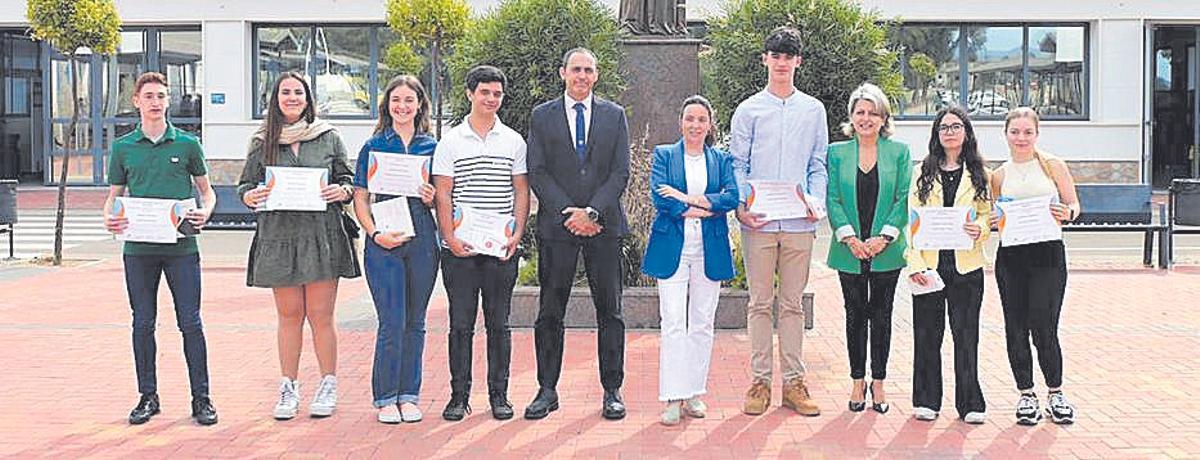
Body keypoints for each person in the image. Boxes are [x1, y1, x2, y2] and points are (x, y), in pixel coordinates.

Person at [237, 71, 360, 420]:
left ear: (308, 99)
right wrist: (250, 195)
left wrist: (344, 192)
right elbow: (244, 185)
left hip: (322, 235)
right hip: (279, 237)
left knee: (321, 316)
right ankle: (288, 387)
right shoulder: (262, 141)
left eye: (298, 92)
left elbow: (347, 179)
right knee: (289, 316)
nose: (292, 97)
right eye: (285, 92)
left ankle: (328, 384)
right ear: (275, 99)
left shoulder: (328, 137)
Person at [104, 71, 218, 426]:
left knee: (191, 323)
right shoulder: (123, 148)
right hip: (138, 250)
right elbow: (113, 199)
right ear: (136, 102)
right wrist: (109, 219)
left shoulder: (187, 144)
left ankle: (202, 398)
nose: (156, 102)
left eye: (162, 96)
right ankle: (147, 396)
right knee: (142, 323)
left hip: (182, 247)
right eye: (149, 96)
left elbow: (207, 191)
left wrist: (206, 212)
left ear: (168, 101)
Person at [525, 48, 631, 421]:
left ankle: (612, 390)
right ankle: (547, 389)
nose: (582, 76)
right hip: (558, 227)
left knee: (611, 312)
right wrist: (568, 212)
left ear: (596, 75)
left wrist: (593, 212)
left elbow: (620, 172)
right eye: (575, 69)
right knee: (550, 312)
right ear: (562, 73)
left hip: (604, 227)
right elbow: (536, 171)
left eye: (588, 70)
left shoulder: (615, 116)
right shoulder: (542, 116)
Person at [729, 26, 828, 416]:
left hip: (800, 223)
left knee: (792, 305)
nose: (782, 62)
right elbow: (738, 163)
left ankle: (793, 383)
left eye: (789, 55)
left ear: (798, 61)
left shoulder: (813, 109)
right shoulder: (749, 109)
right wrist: (741, 205)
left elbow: (817, 164)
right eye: (776, 54)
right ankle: (759, 382)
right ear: (765, 59)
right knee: (758, 303)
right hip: (759, 222)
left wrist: (815, 203)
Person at [432, 65, 530, 422]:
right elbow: (443, 193)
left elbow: (521, 189)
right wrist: (450, 237)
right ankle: (459, 397)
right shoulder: (451, 140)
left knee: (499, 324)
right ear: (470, 93)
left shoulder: (514, 141)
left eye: (497, 94)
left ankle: (498, 396)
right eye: (485, 92)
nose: (491, 99)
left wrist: (517, 233)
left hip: (500, 248)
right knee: (460, 324)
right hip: (459, 250)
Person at [642, 95, 739, 426]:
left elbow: (731, 197)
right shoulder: (664, 155)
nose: (695, 125)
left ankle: (695, 392)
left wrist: (689, 199)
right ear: (680, 122)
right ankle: (672, 396)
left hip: (708, 248)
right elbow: (660, 196)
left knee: (701, 321)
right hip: (673, 249)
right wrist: (704, 208)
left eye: (701, 119)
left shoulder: (721, 159)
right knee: (672, 322)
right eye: (689, 119)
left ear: (709, 124)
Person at [352, 75, 439, 424]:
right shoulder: (373, 146)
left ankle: (409, 395)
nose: (402, 106)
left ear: (420, 105)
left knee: (415, 322)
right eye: (396, 100)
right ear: (387, 105)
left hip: (422, 242)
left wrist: (433, 200)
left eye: (409, 100)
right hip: (384, 243)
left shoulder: (432, 147)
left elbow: (442, 198)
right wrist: (374, 234)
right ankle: (386, 397)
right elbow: (360, 199)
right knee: (392, 321)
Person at [825, 83, 910, 415]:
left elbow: (903, 198)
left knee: (882, 316)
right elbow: (832, 198)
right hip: (849, 249)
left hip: (885, 251)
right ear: (851, 116)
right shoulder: (836, 152)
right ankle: (857, 380)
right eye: (860, 112)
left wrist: (883, 238)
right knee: (855, 316)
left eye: (873, 112)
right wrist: (850, 238)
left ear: (883, 117)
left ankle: (880, 381)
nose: (866, 118)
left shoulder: (899, 152)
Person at [990, 107, 1079, 426]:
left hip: (1048, 257)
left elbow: (1073, 205)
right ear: (1006, 134)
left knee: (1044, 327)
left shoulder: (1053, 165)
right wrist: (992, 220)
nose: (1021, 138)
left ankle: (1056, 393)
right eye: (1015, 132)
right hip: (1012, 258)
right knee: (1015, 328)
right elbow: (996, 215)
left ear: (1037, 134)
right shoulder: (998, 175)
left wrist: (1066, 213)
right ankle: (1026, 394)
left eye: (1028, 132)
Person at [906, 107, 992, 424]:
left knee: (966, 336)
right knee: (927, 335)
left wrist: (980, 229)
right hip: (928, 266)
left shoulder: (979, 172)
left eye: (956, 126)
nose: (950, 132)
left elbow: (986, 215)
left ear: (966, 133)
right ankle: (927, 399)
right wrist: (914, 262)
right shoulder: (921, 171)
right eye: (944, 127)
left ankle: (970, 403)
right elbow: (910, 220)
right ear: (936, 134)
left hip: (966, 267)